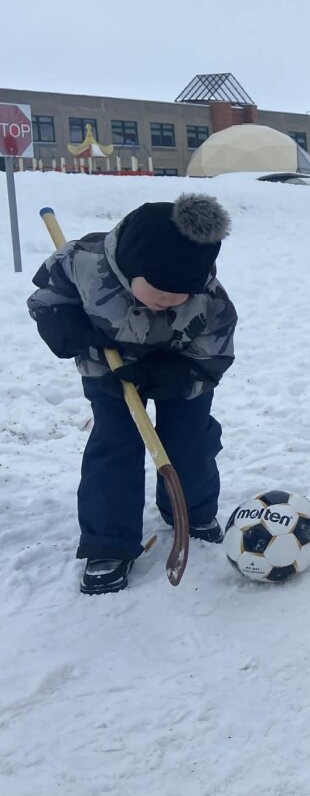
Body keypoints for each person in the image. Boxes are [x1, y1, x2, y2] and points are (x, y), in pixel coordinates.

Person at [28, 194, 237, 595]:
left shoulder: (210, 299)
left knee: (190, 439)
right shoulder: (83, 263)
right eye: (160, 292)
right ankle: (108, 542)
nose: (169, 302)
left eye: (180, 296)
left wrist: (166, 375)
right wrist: (71, 330)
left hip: (179, 368)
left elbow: (213, 357)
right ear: (133, 267)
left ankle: (192, 511)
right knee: (115, 444)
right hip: (107, 365)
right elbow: (47, 301)